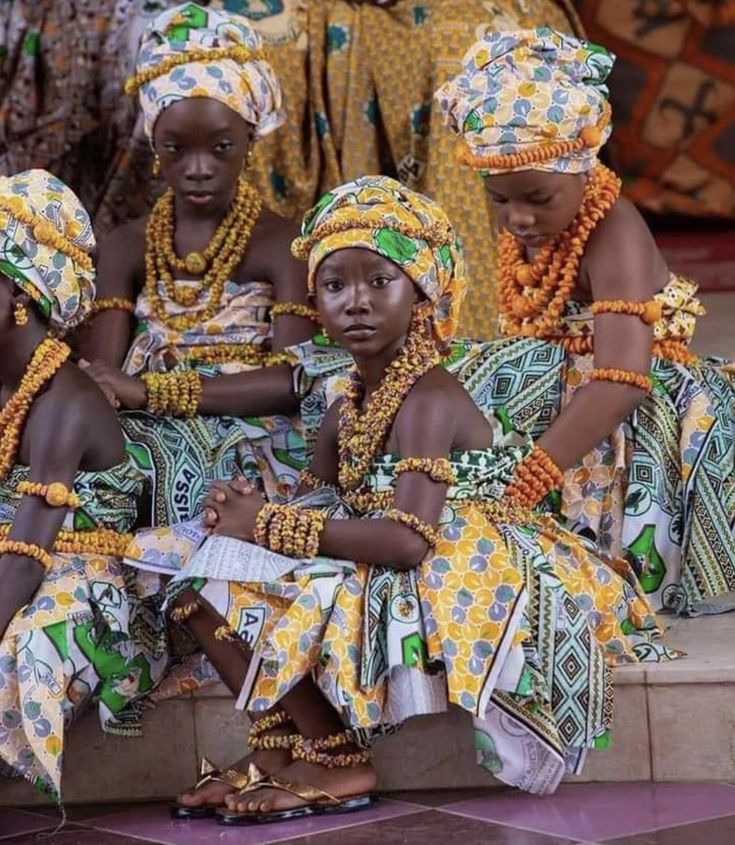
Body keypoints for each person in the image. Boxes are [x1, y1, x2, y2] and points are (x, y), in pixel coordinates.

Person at [127, 176, 675, 823]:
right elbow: (324, 499)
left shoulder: (427, 395)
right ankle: (277, 746)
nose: (354, 302)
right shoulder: (349, 397)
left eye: (377, 282)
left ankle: (337, 754)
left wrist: (268, 524)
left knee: (254, 582)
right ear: (315, 303)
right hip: (377, 536)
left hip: (450, 556)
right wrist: (242, 514)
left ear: (421, 293)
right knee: (186, 573)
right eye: (334, 286)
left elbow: (407, 540)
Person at [432, 27, 735, 615]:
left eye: (537, 199)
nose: (517, 218)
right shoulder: (538, 228)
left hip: (624, 409)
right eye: (499, 199)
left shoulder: (612, 229)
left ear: (584, 167)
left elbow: (621, 379)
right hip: (568, 393)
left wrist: (532, 474)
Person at [76, 4, 317, 526]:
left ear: (251, 139)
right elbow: (102, 376)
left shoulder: (284, 242)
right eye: (176, 149)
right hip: (142, 430)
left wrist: (154, 392)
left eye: (221, 147)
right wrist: (131, 397)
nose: (199, 168)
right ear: (153, 143)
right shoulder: (124, 245)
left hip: (255, 435)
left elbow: (294, 379)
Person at [0, 169, 167, 801]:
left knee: (31, 647)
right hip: (15, 557)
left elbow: (23, 564)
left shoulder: (62, 400)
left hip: (79, 578)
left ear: (22, 292)